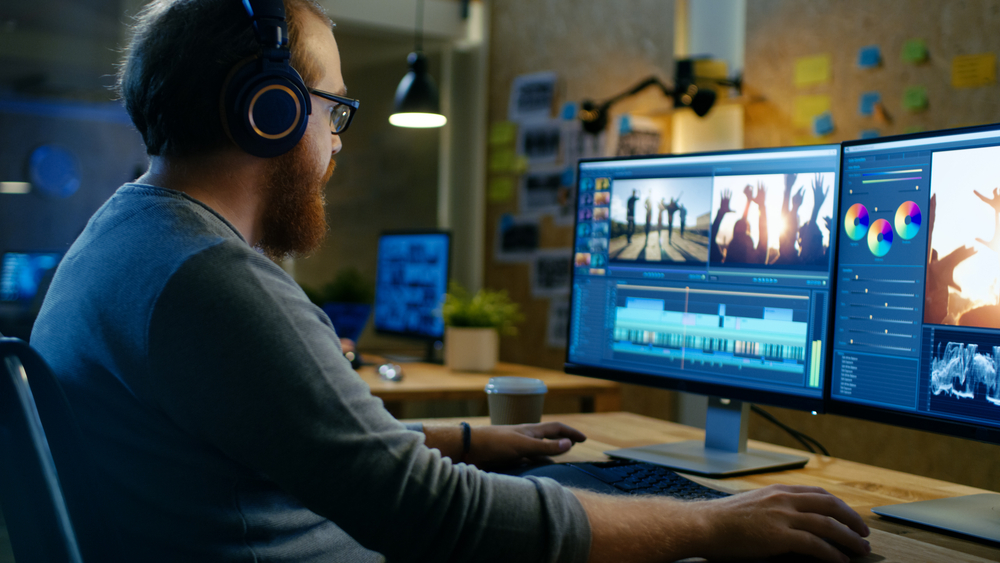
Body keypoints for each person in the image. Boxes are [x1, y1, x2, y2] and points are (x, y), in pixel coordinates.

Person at [30, 1, 871, 562]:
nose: (338, 146)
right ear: (273, 113)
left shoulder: (122, 241)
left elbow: (288, 439)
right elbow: (437, 518)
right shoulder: (210, 281)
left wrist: (466, 440)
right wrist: (712, 523)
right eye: (336, 114)